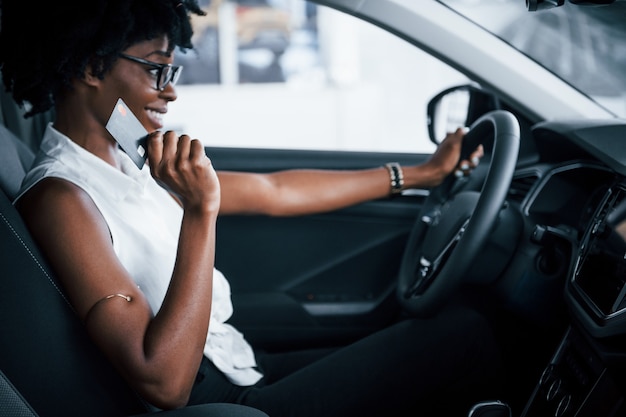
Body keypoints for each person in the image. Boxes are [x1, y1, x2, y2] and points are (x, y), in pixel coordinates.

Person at [0, 1, 499, 416]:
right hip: (220, 402)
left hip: (238, 363)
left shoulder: (131, 159)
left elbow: (272, 190)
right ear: (90, 67)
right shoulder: (63, 196)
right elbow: (164, 383)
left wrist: (421, 174)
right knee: (466, 335)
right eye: (157, 68)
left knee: (438, 339)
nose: (171, 90)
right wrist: (201, 212)